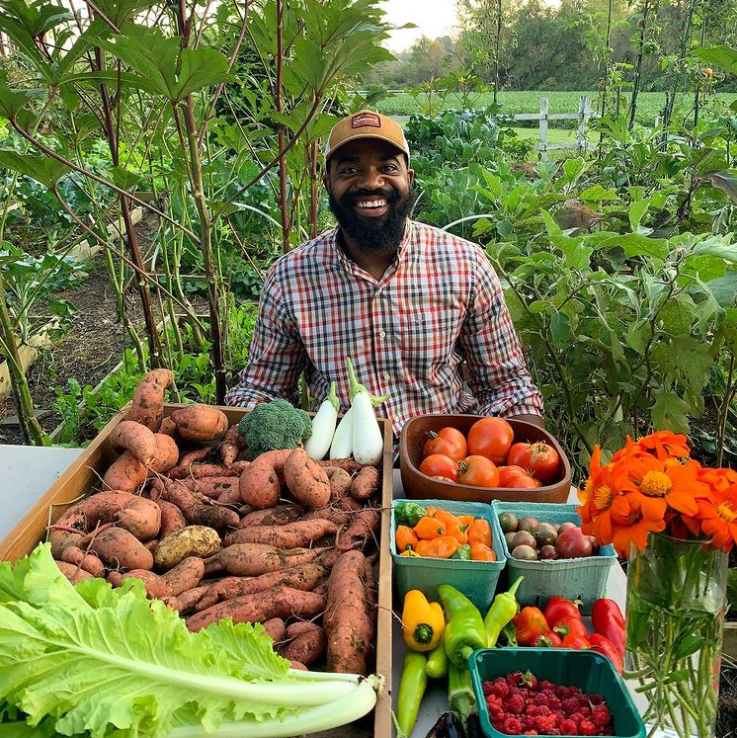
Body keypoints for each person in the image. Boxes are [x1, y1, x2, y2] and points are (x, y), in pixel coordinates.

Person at [225, 109, 544, 434]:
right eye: (350, 169)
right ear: (327, 184)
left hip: (441, 460)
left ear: (410, 178)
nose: (371, 182)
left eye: (388, 167)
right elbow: (264, 389)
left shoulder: (465, 264)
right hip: (340, 469)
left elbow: (506, 388)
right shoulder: (290, 278)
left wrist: (526, 462)